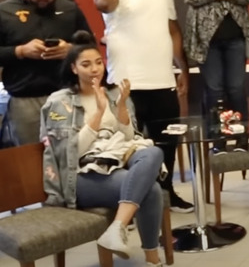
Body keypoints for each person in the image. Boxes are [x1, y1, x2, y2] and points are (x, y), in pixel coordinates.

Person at [41, 31, 166, 266]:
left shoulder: (113, 93)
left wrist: (120, 109)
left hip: (115, 163)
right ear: (74, 69)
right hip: (80, 176)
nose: (95, 69)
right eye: (86, 64)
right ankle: (151, 258)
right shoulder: (60, 102)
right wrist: (98, 114)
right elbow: (69, 155)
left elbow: (130, 139)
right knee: (152, 190)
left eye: (99, 62)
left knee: (154, 152)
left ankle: (117, 228)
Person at [94, 0, 193, 213]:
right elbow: (102, 2)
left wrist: (181, 68)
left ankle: (166, 191)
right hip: (126, 85)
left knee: (167, 143)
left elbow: (172, 30)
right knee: (127, 147)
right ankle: (130, 201)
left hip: (162, 81)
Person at [0, 0, 92, 145]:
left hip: (65, 94)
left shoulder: (70, 10)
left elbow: (91, 46)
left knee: (71, 152)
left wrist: (71, 50)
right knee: (30, 156)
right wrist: (20, 51)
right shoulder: (4, 12)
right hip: (25, 100)